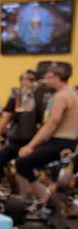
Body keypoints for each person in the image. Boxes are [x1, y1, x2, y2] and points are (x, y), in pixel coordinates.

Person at [14, 64, 78, 210]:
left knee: (22, 163)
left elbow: (51, 123)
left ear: (58, 78)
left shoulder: (61, 96)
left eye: (49, 78)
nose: (45, 81)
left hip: (60, 142)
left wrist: (30, 146)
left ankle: (44, 198)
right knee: (43, 169)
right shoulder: (73, 94)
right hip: (70, 142)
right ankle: (51, 194)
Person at [0, 69, 41, 189]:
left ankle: (39, 194)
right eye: (23, 79)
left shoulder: (40, 98)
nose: (26, 82)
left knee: (22, 166)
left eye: (30, 79)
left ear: (35, 82)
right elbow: (7, 116)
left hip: (34, 142)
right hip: (16, 140)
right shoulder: (16, 96)